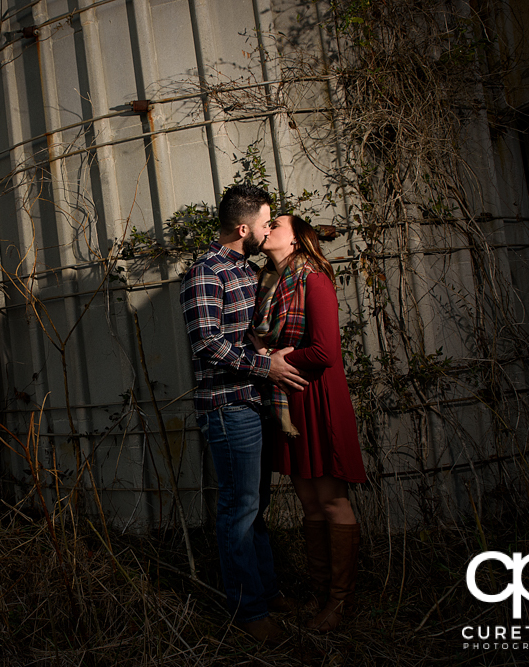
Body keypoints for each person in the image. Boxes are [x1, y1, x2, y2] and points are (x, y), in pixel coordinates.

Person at [179, 185, 307, 642]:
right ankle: (248, 612)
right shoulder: (205, 272)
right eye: (265, 222)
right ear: (242, 228)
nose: (268, 228)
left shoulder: (249, 271)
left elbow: (250, 331)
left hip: (257, 404)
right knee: (239, 508)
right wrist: (265, 365)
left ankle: (266, 591)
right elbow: (207, 342)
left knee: (256, 508)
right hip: (229, 406)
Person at [252, 213, 368, 632]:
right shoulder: (267, 283)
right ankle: (321, 595)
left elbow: (324, 351)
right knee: (309, 504)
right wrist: (265, 356)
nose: (268, 229)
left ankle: (340, 602)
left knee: (332, 501)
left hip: (316, 395)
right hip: (288, 401)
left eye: (277, 224)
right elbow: (258, 338)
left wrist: (277, 359)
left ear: (297, 241)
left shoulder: (313, 279)